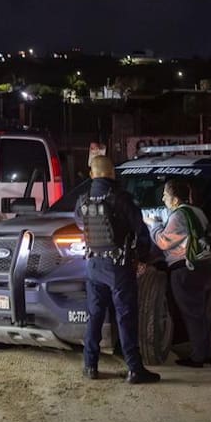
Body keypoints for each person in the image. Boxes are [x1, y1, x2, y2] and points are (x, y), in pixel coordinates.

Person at [74, 155, 160, 384]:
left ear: (92, 174)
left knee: (95, 316)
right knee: (126, 317)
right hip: (118, 268)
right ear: (112, 173)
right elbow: (141, 232)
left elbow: (81, 224)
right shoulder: (121, 199)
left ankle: (90, 365)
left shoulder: (82, 200)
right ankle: (134, 369)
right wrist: (143, 257)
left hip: (93, 266)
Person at [147, 178, 211, 367]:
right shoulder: (198, 212)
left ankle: (198, 357)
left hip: (186, 269)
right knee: (202, 312)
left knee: (192, 314)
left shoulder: (178, 216)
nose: (163, 199)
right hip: (206, 265)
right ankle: (207, 351)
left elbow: (164, 242)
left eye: (165, 195)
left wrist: (154, 225)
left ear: (175, 199)